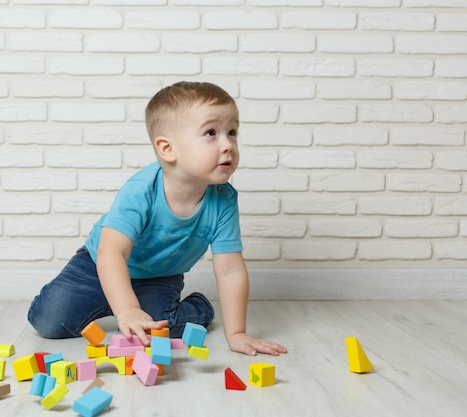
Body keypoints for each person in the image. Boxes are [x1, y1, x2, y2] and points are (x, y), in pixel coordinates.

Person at [28, 81, 287, 356]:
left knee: (160, 328)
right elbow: (112, 252)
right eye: (211, 133)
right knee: (47, 321)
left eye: (232, 132)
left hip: (159, 276)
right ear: (167, 148)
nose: (228, 145)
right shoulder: (142, 189)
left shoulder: (223, 200)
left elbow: (230, 270)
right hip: (98, 263)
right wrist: (127, 309)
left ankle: (198, 307)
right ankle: (118, 303)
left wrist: (236, 333)